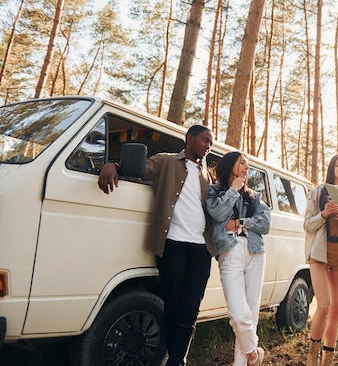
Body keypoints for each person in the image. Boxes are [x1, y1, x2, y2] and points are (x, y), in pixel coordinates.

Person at [98, 125, 217, 366]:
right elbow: (140, 168)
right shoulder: (166, 161)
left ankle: (177, 359)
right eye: (205, 140)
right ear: (190, 139)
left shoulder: (207, 174)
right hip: (173, 245)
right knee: (172, 304)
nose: (208, 146)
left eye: (210, 143)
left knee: (191, 307)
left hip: (200, 250)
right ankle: (174, 358)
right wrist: (114, 164)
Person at [205, 151, 270, 366]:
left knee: (251, 314)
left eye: (248, 164)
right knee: (238, 314)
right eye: (242, 162)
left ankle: (241, 363)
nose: (246, 167)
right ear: (229, 164)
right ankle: (253, 353)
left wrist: (239, 223)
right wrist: (233, 190)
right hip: (230, 252)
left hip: (255, 252)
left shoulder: (254, 196)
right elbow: (216, 213)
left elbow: (265, 224)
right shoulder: (216, 191)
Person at [304, 154, 338, 366]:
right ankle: (311, 356)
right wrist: (324, 214)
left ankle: (327, 360)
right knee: (324, 305)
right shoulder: (318, 192)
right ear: (332, 167)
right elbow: (307, 225)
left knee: (336, 308)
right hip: (319, 253)